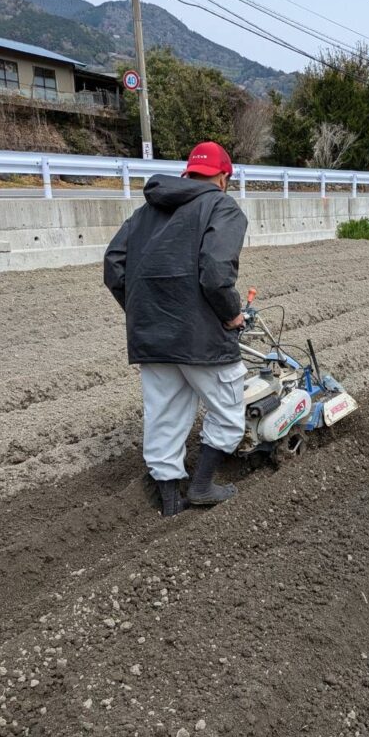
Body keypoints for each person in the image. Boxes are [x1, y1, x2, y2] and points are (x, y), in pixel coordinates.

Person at [104, 141, 248, 517]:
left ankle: (170, 503)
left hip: (153, 336)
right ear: (223, 178)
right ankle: (202, 486)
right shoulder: (221, 206)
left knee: (164, 415)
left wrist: (145, 311)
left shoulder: (145, 211)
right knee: (228, 411)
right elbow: (215, 273)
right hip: (202, 338)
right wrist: (232, 314)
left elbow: (114, 265)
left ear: (188, 173)